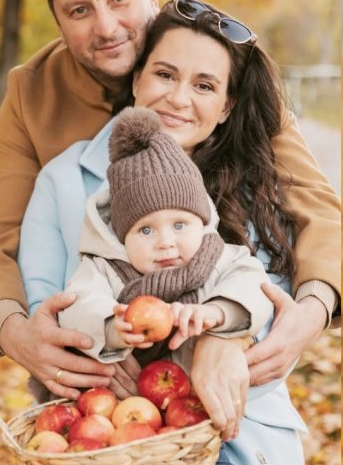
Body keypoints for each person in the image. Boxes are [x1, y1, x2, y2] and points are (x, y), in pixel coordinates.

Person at [0, 0, 340, 404]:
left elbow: (316, 206)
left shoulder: (200, 57)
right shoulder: (32, 95)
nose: (107, 26)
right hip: (104, 375)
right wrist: (18, 335)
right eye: (79, 11)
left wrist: (308, 315)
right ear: (57, 21)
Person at [20, 0, 310, 462]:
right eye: (165, 75)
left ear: (225, 106)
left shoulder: (258, 187)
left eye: (204, 85)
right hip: (109, 435)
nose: (178, 98)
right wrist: (99, 344)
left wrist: (222, 334)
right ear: (137, 79)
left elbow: (274, 316)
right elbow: (46, 310)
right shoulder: (64, 179)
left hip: (244, 431)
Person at [29, 107, 273, 378]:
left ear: (201, 221)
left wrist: (218, 311)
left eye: (180, 225)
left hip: (199, 400)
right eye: (146, 230)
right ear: (121, 236)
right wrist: (113, 326)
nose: (165, 242)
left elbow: (253, 286)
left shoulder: (221, 258)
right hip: (130, 406)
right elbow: (78, 305)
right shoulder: (104, 270)